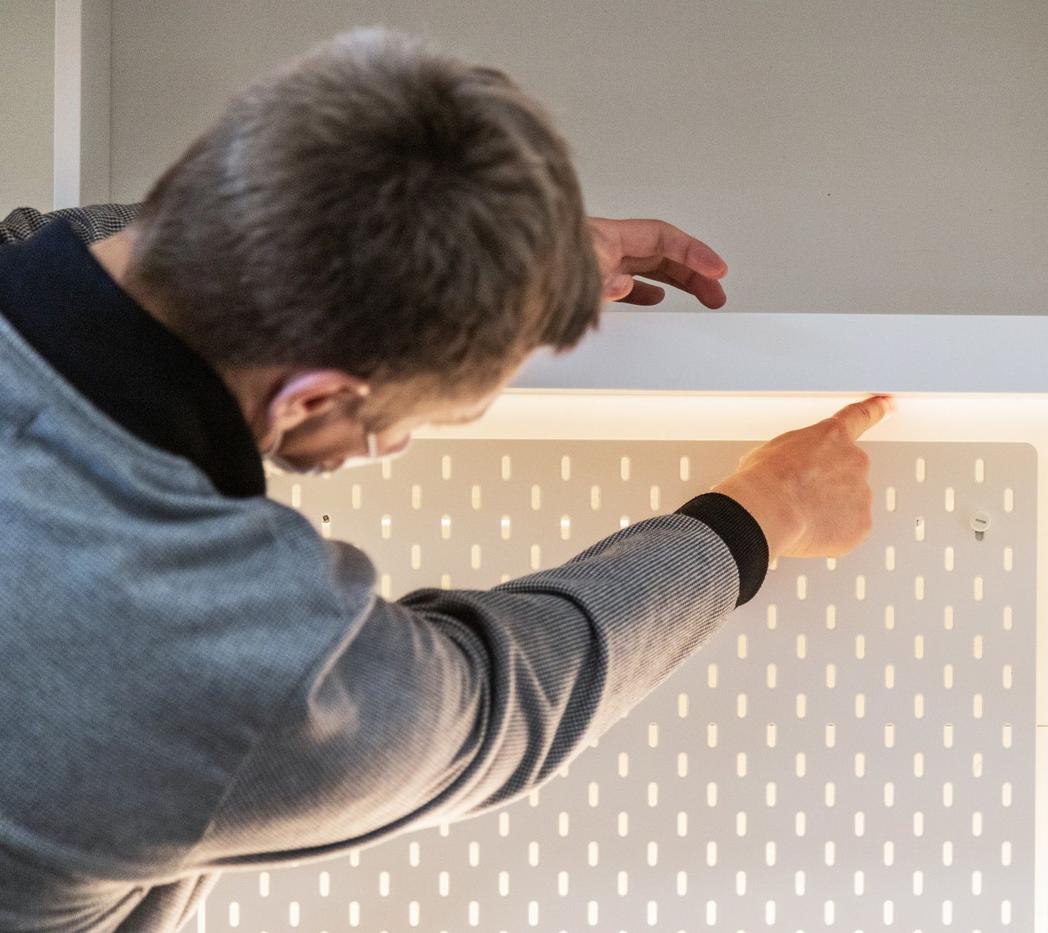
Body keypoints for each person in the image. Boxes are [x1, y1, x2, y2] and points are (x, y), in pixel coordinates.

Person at [0, 28, 889, 932]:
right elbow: (496, 702)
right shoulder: (199, 641)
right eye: (400, 423)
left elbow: (124, 252)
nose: (391, 446)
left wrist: (484, 253)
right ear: (314, 400)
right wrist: (758, 516)